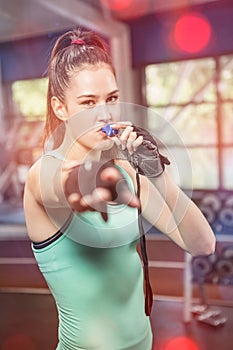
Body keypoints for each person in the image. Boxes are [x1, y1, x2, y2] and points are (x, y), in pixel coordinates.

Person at [23, 28, 216, 350]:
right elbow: (66, 186)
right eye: (88, 102)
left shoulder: (126, 171)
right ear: (60, 108)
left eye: (111, 98)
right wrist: (97, 184)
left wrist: (157, 176)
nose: (106, 114)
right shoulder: (42, 173)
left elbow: (202, 244)